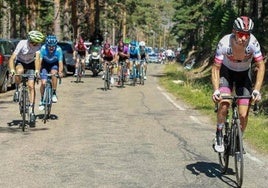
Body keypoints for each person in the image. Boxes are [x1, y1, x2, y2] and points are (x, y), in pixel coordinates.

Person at [211, 16, 265, 153]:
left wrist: (257, 90)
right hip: (226, 72)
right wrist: (216, 90)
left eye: (247, 35)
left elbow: (261, 65)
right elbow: (216, 68)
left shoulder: (253, 43)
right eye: (241, 34)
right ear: (234, 32)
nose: (244, 38)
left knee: (243, 114)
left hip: (244, 75)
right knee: (224, 103)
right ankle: (219, 132)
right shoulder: (224, 43)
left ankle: (238, 137)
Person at [9, 30, 45, 126]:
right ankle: (17, 89)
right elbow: (12, 58)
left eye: (37, 43)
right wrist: (12, 70)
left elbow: (37, 59)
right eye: (34, 42)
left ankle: (31, 109)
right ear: (29, 40)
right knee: (19, 72)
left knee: (31, 86)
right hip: (20, 62)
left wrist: (37, 71)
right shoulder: (22, 44)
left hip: (30, 64)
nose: (35, 44)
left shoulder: (38, 46)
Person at [38, 35, 64, 110]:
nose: (51, 48)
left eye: (53, 46)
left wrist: (60, 72)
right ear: (46, 45)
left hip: (54, 65)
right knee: (43, 83)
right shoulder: (43, 48)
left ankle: (54, 93)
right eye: (49, 46)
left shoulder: (59, 49)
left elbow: (60, 63)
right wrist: (38, 72)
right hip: (45, 65)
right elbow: (39, 62)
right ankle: (42, 99)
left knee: (54, 73)